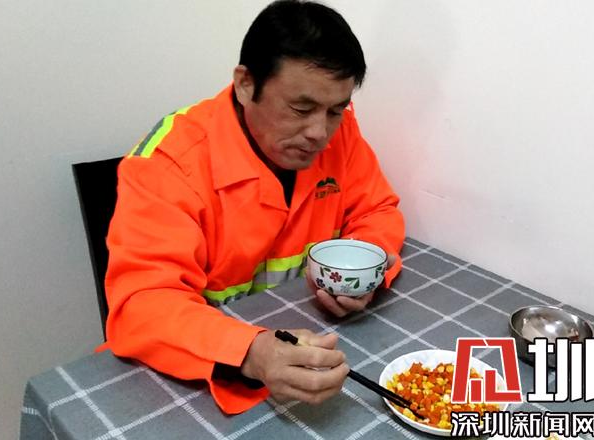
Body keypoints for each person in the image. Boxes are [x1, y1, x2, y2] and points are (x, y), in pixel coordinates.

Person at [102, 0, 405, 415]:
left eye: (336, 110)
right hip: (197, 370)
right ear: (246, 84)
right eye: (300, 109)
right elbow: (143, 304)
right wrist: (248, 351)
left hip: (312, 334)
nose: (319, 132)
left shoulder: (340, 134)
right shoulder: (168, 163)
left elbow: (377, 211)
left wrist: (365, 275)